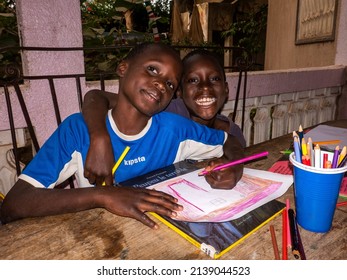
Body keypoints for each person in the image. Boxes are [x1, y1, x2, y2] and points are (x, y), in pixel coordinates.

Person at [0, 43, 244, 228]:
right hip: (100, 237)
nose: (160, 83)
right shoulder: (78, 131)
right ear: (123, 68)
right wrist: (103, 195)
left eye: (170, 84)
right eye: (152, 70)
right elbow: (14, 204)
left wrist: (235, 167)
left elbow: (229, 140)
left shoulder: (175, 129)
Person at [82, 49, 246, 186]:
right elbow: (95, 96)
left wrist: (234, 169)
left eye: (214, 79)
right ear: (179, 91)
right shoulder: (163, 109)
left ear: (225, 89)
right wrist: (99, 137)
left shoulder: (231, 132)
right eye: (193, 80)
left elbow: (235, 153)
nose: (205, 87)